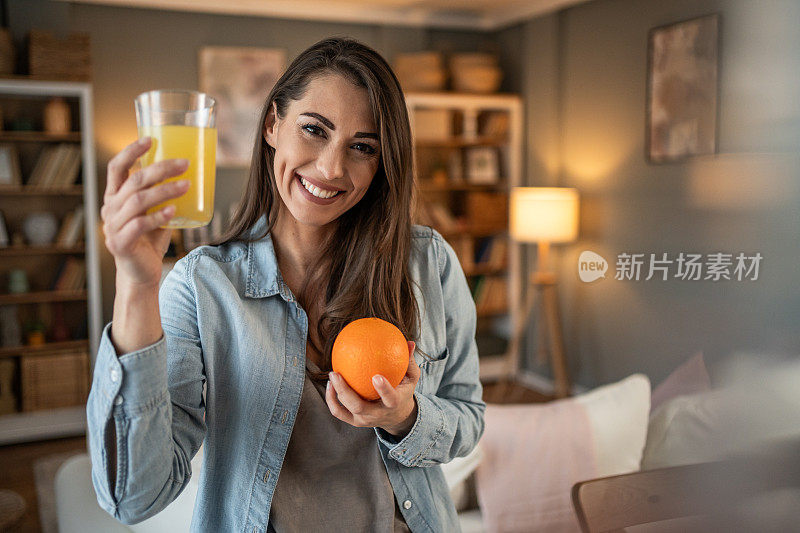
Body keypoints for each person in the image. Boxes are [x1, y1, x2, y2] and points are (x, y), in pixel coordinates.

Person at [87, 37, 485, 532]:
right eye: (314, 130)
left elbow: (468, 417)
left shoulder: (427, 263)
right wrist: (134, 284)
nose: (331, 168)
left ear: (382, 164)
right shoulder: (202, 286)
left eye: (362, 147)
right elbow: (134, 497)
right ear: (273, 124)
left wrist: (404, 418)